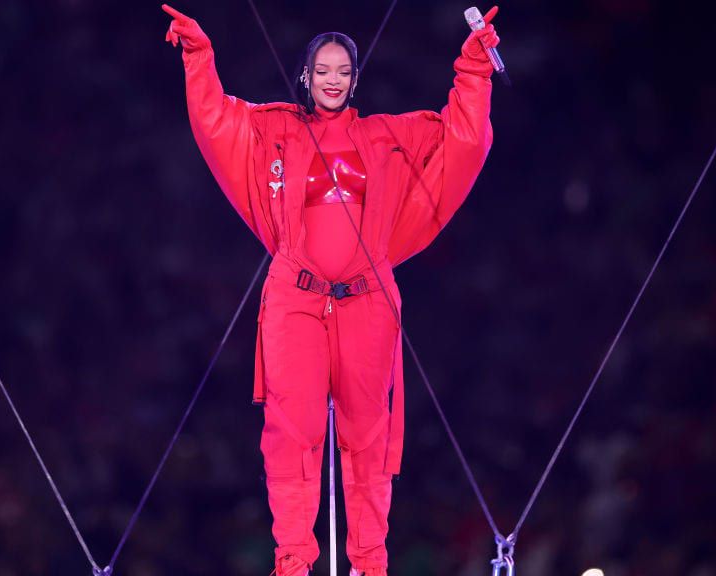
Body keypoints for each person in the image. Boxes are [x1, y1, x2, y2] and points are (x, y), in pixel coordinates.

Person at [162, 4, 498, 575]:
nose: (334, 79)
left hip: (367, 299)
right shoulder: (277, 129)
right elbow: (217, 119)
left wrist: (474, 69)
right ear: (306, 75)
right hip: (296, 298)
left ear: (356, 77)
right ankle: (293, 559)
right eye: (323, 70)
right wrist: (199, 55)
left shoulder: (386, 135)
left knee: (368, 436)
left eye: (343, 70)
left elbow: (462, 139)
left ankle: (369, 561)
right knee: (294, 431)